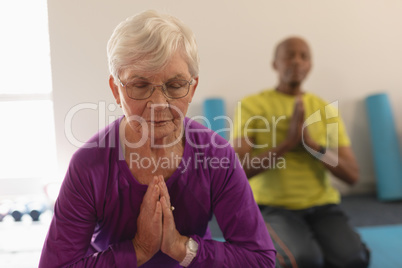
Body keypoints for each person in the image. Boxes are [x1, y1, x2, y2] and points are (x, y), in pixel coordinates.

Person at [39, 10, 276, 268]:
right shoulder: (88, 166)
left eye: (175, 86)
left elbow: (260, 260)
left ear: (192, 88)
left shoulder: (216, 155)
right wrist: (137, 250)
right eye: (140, 86)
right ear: (116, 90)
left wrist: (181, 248)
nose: (159, 104)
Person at [233, 37, 370, 268]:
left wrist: (313, 147)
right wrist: (286, 145)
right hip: (272, 206)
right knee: (304, 261)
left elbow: (352, 174)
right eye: (289, 55)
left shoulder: (325, 109)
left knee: (354, 261)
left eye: (303, 56)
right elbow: (236, 170)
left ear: (310, 66)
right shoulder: (252, 105)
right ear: (275, 64)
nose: (296, 61)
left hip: (322, 206)